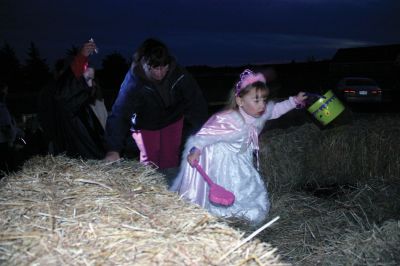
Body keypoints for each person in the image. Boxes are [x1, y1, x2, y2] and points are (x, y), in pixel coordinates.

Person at [170, 69, 307, 225]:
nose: (262, 105)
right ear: (240, 101)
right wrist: (195, 150)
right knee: (231, 188)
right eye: (256, 100)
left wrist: (294, 101)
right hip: (224, 164)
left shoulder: (260, 114)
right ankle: (225, 216)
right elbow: (206, 135)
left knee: (249, 187)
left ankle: (246, 216)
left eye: (263, 99)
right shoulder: (229, 119)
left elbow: (274, 111)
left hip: (242, 160)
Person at [104, 38, 208, 170]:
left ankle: (168, 189)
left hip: (172, 119)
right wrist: (113, 149)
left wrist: (201, 139)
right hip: (146, 123)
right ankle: (149, 189)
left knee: (170, 160)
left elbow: (197, 104)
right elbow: (119, 113)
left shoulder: (179, 74)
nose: (160, 72)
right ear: (145, 63)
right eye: (155, 68)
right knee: (150, 162)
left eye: (163, 67)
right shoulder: (133, 81)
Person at [38, 40, 105, 159]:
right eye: (86, 76)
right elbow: (67, 91)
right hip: (68, 151)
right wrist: (82, 57)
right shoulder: (58, 94)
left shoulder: (80, 101)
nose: (91, 83)